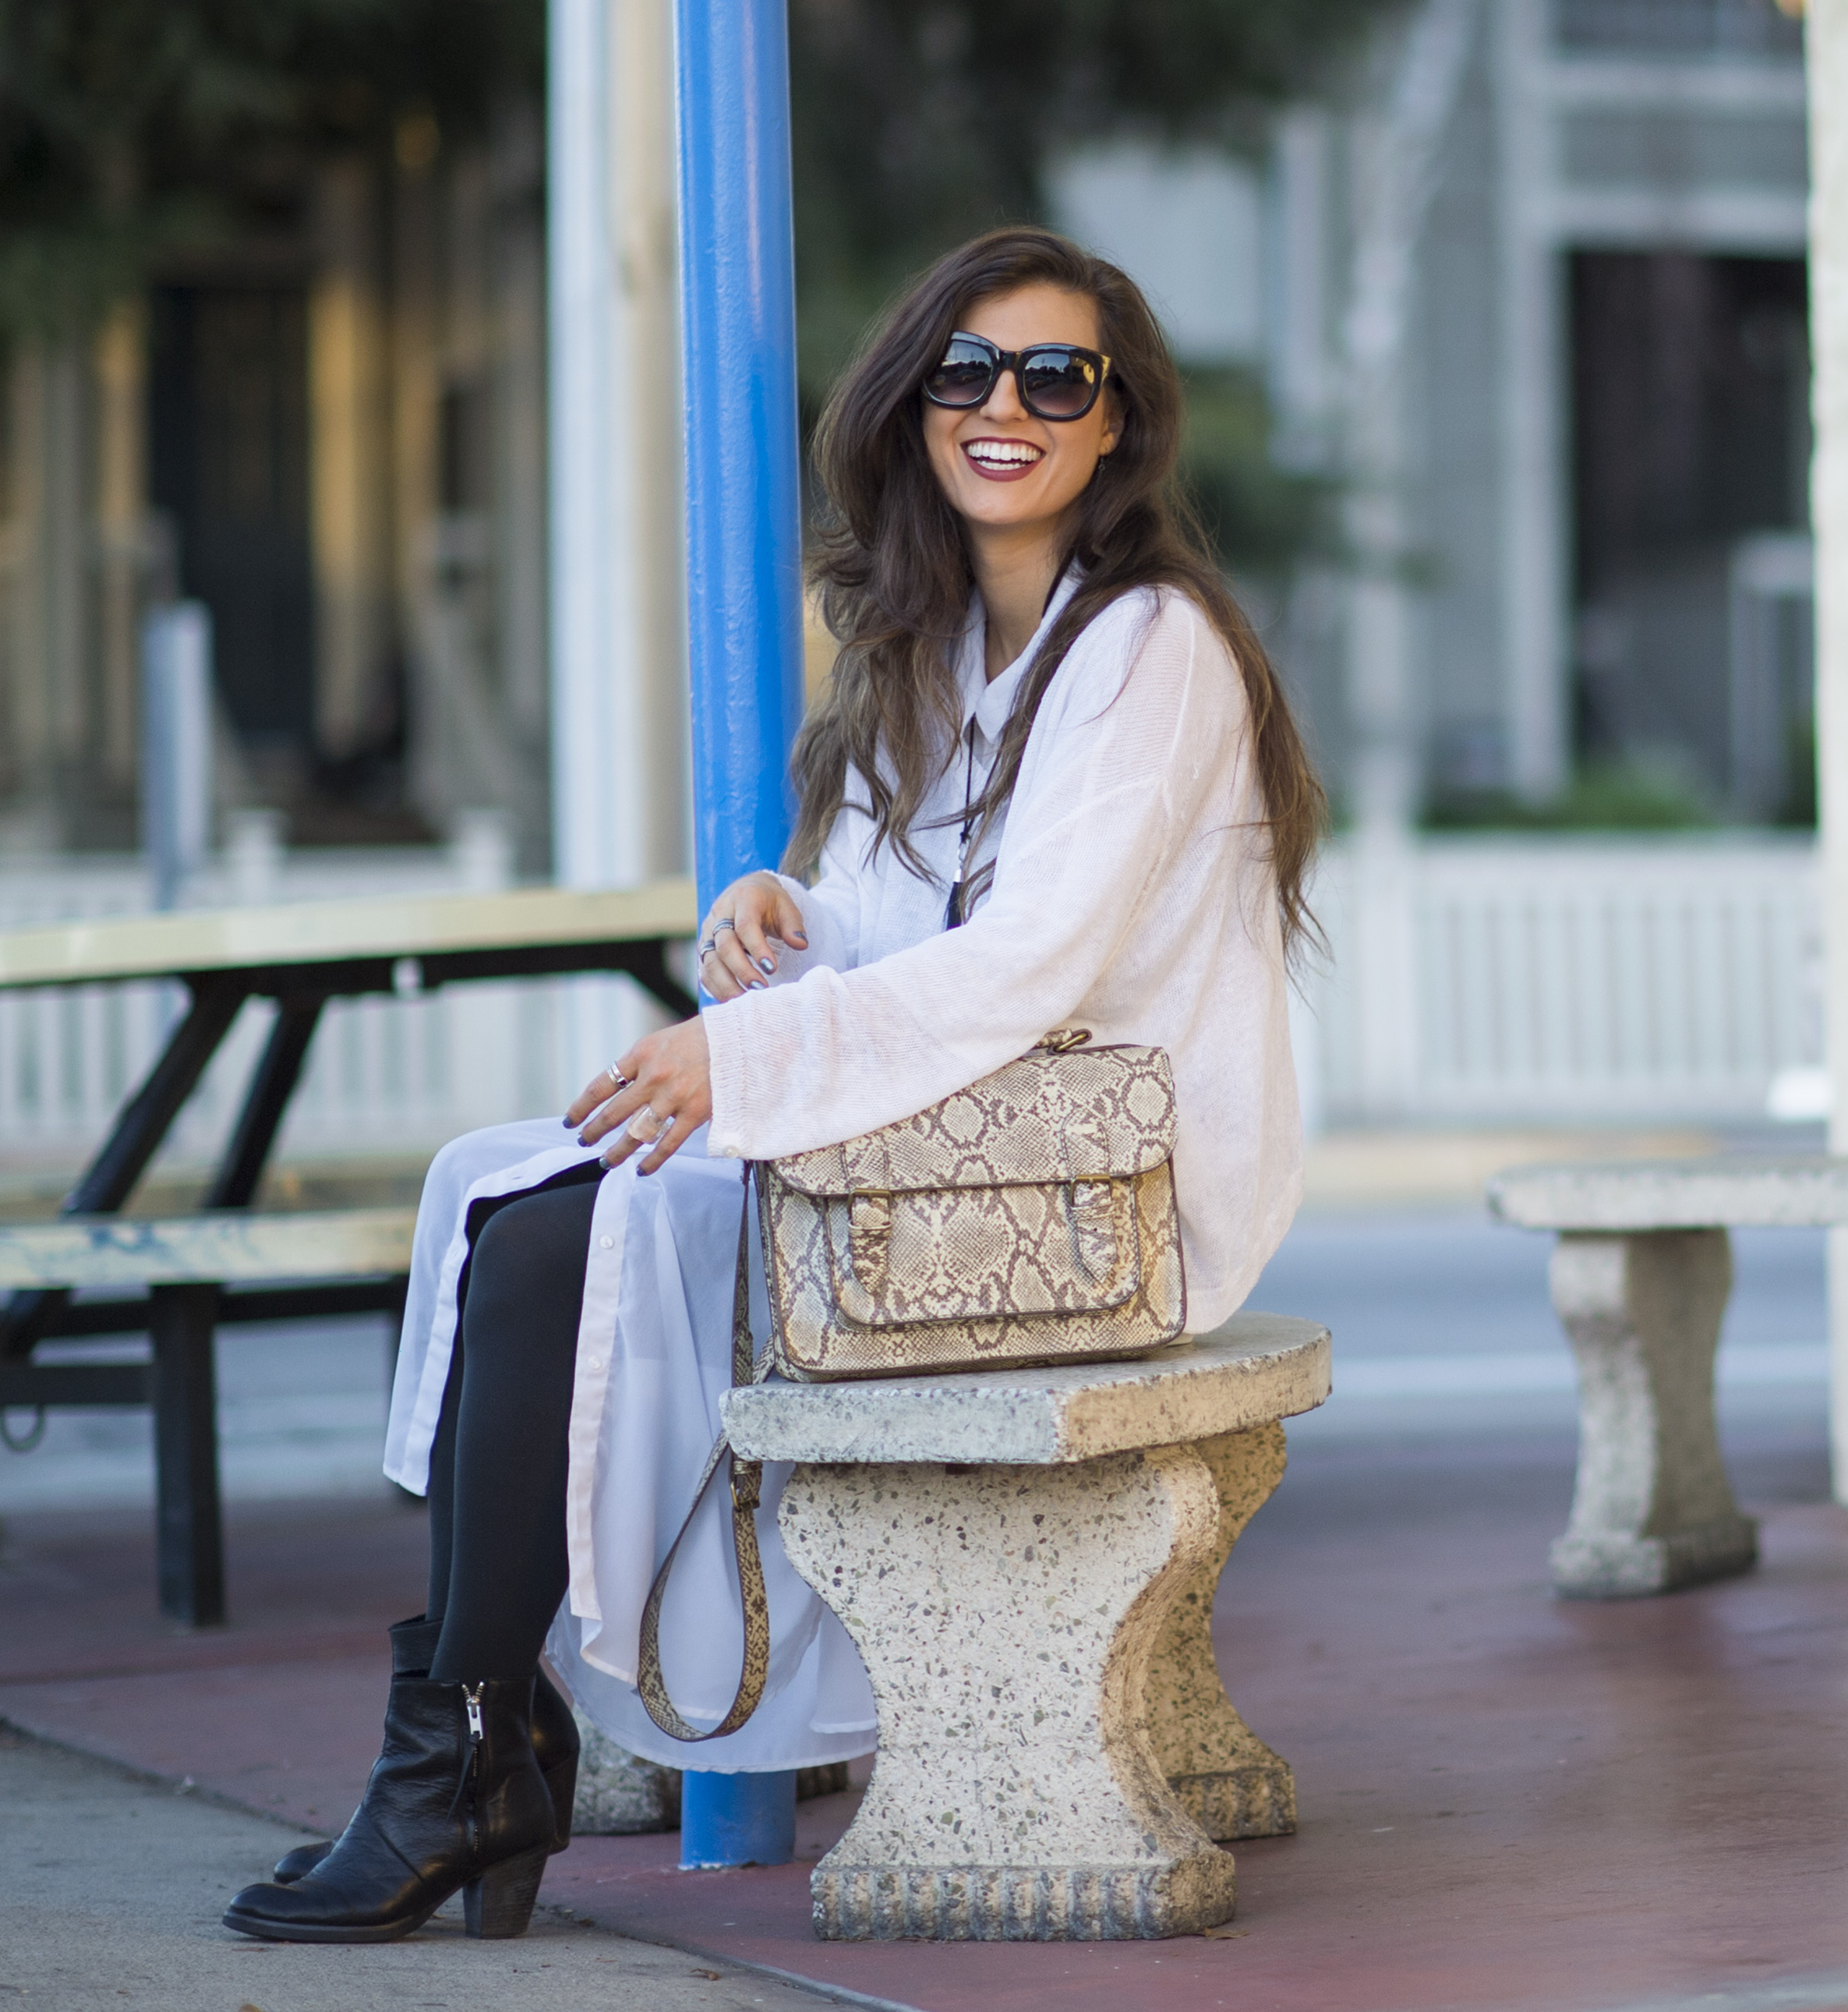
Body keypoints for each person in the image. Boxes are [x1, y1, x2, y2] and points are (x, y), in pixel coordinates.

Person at [224, 227, 1325, 1943]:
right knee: (524, 1209)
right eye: (964, 371)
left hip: (1104, 1198)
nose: (1005, 406)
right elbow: (904, 925)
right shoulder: (933, 642)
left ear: (1118, 424)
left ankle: (461, 1766)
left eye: (1056, 375)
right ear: (914, 408)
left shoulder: (1149, 645)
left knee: (562, 1228)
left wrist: (733, 1054)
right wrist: (791, 915)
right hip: (960, 1165)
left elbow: (1030, 962)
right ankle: (463, 1749)